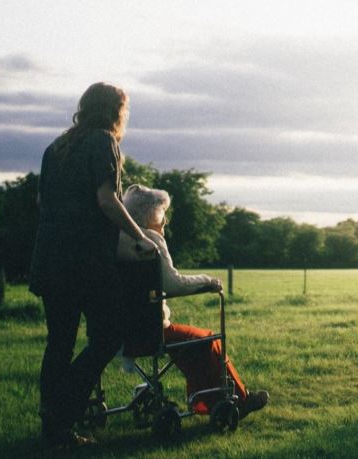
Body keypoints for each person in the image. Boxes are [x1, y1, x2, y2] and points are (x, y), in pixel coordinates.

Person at [29, 82, 157, 448]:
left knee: (60, 343)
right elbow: (107, 199)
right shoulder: (104, 142)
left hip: (49, 258)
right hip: (84, 262)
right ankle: (64, 412)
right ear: (115, 111)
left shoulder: (56, 147)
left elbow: (42, 200)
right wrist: (139, 236)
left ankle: (52, 427)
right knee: (108, 337)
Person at [116, 185, 269, 418]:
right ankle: (238, 399)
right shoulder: (150, 240)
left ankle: (207, 400)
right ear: (147, 214)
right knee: (206, 339)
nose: (165, 219)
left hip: (119, 330)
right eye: (161, 212)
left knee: (192, 341)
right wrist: (208, 281)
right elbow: (174, 284)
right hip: (150, 330)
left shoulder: (118, 240)